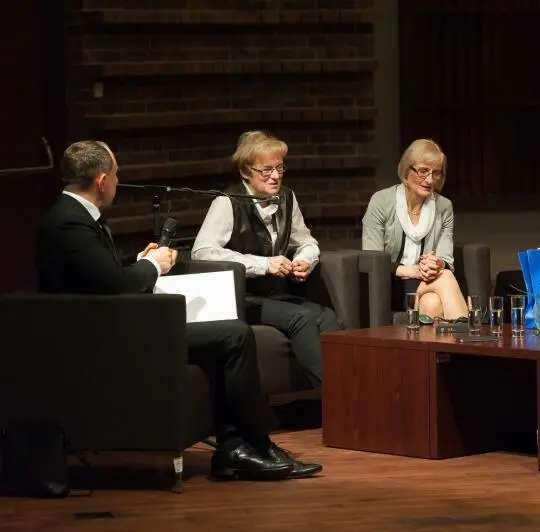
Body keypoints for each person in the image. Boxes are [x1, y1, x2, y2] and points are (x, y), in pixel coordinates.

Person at [36, 140, 322, 481]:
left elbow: (101, 275)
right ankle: (254, 444)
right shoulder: (70, 223)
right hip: (104, 336)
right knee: (234, 334)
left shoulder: (75, 217)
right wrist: (153, 265)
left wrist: (140, 260)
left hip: (115, 323)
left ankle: (236, 448)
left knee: (225, 333)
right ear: (102, 181)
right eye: (116, 175)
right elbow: (117, 286)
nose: (117, 182)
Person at [192, 131, 340, 389]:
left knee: (325, 316)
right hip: (244, 297)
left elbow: (305, 241)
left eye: (279, 168)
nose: (275, 176)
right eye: (266, 170)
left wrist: (305, 260)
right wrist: (263, 264)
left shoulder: (287, 197)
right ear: (245, 172)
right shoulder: (228, 202)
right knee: (301, 318)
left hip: (276, 294)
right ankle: (334, 397)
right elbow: (202, 252)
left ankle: (348, 389)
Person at [362, 139, 469, 320]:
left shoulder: (444, 207)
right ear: (406, 169)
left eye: (436, 173)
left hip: (427, 282)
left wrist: (435, 264)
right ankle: (469, 332)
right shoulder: (381, 202)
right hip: (389, 284)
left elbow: (445, 260)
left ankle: (449, 339)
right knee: (445, 277)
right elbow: (372, 259)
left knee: (432, 303)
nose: (430, 180)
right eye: (423, 171)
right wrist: (413, 271)